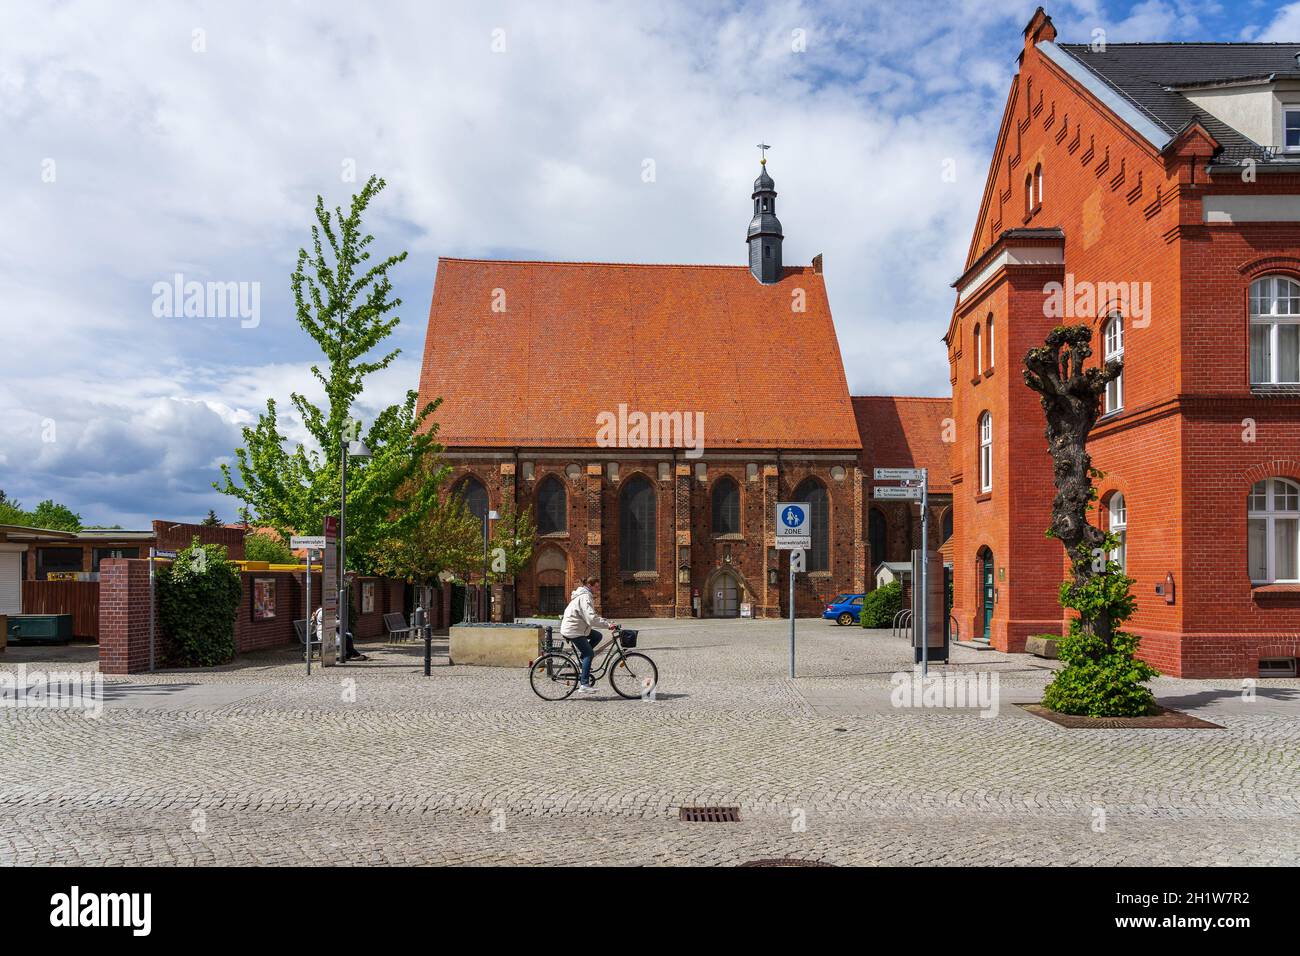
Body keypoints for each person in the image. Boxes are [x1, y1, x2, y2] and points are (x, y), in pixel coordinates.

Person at [559, 576, 617, 696]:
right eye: (596, 586)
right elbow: (591, 619)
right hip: (573, 630)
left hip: (577, 628)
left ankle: (582, 661)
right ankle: (584, 684)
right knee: (589, 653)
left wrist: (605, 621)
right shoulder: (585, 597)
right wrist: (607, 625)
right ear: (589, 586)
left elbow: (590, 616)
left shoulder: (584, 595)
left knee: (597, 636)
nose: (597, 589)